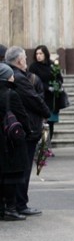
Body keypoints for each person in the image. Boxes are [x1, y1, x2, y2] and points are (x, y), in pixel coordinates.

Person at [5, 46, 50, 216]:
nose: (26, 60)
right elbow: (33, 99)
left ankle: (16, 202)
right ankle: (20, 203)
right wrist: (46, 112)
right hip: (26, 128)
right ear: (19, 60)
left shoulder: (11, 75)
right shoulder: (19, 78)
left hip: (16, 128)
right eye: (24, 57)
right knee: (23, 168)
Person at [0, 63, 31, 221]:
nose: (13, 77)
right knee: (12, 176)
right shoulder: (11, 94)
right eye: (11, 74)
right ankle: (11, 209)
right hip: (10, 142)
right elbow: (22, 116)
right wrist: (28, 131)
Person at [28, 45, 64, 154]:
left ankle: (47, 146)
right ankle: (41, 146)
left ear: (46, 54)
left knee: (50, 123)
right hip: (40, 97)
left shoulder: (52, 65)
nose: (38, 56)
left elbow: (59, 77)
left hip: (52, 99)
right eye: (37, 54)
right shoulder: (33, 67)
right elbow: (33, 81)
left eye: (41, 54)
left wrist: (57, 85)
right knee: (42, 124)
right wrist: (47, 87)